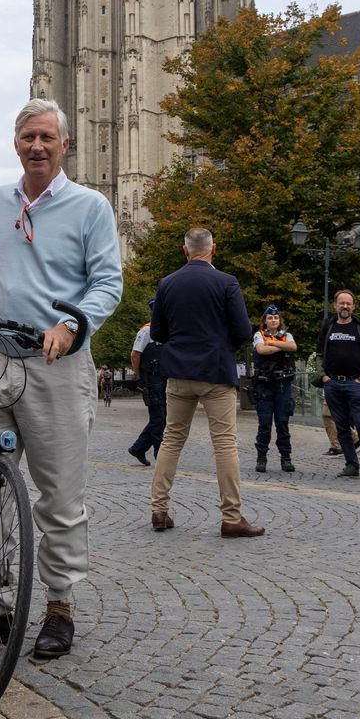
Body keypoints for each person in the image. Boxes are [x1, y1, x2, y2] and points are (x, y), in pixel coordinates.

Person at [0, 98, 121, 659]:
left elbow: (108, 284)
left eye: (47, 137)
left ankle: (59, 607)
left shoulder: (90, 207)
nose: (37, 146)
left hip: (56, 369)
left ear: (64, 145)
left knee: (59, 497)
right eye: (28, 137)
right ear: (16, 143)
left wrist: (72, 322)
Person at [149, 227, 263, 537]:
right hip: (215, 372)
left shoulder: (167, 284)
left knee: (171, 439)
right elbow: (242, 331)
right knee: (224, 443)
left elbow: (157, 333)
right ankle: (231, 516)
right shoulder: (226, 283)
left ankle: (159, 509)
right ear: (213, 249)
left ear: (185, 250)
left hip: (179, 374)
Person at [316, 290, 360, 481]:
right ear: (335, 305)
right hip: (333, 383)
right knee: (342, 427)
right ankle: (351, 465)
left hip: (355, 384)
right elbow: (319, 353)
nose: (345, 306)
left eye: (348, 303)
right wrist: (323, 376)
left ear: (353, 306)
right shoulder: (328, 326)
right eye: (341, 303)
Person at [251, 305, 297, 473]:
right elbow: (261, 350)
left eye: (276, 318)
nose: (273, 320)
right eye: (270, 318)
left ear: (280, 320)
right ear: (265, 320)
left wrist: (271, 343)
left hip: (282, 384)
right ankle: (261, 457)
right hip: (264, 385)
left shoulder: (287, 335)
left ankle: (286, 458)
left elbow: (293, 347)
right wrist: (279, 345)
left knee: (283, 423)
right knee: (264, 423)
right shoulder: (259, 335)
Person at [129, 313, 166, 465]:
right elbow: (135, 355)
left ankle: (139, 448)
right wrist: (141, 375)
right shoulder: (146, 330)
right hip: (152, 378)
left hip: (164, 378)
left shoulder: (168, 329)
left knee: (163, 419)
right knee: (158, 418)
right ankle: (161, 455)